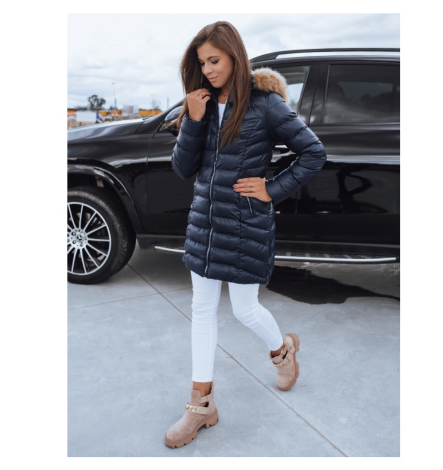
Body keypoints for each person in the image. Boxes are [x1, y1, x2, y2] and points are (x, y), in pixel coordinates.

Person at [166, 21, 327, 449]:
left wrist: (272, 189)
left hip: (244, 225)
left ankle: (282, 350)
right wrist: (193, 121)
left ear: (235, 56)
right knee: (202, 311)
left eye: (214, 60)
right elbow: (183, 168)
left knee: (244, 310)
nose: (208, 69)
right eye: (202, 63)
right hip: (204, 224)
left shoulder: (265, 105)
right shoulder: (199, 104)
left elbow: (313, 152)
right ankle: (201, 406)